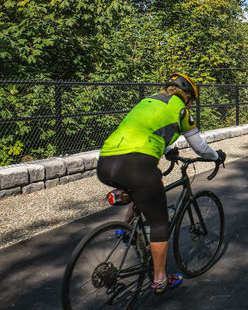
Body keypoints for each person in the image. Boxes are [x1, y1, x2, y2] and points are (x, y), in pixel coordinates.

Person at [96, 73, 226, 294]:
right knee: (159, 223)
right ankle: (160, 280)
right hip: (136, 164)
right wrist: (217, 156)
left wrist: (168, 150)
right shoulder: (182, 110)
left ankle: (125, 229)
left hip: (106, 162)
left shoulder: (147, 101)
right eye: (192, 101)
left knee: (144, 186)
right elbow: (200, 148)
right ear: (187, 98)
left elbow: (145, 131)